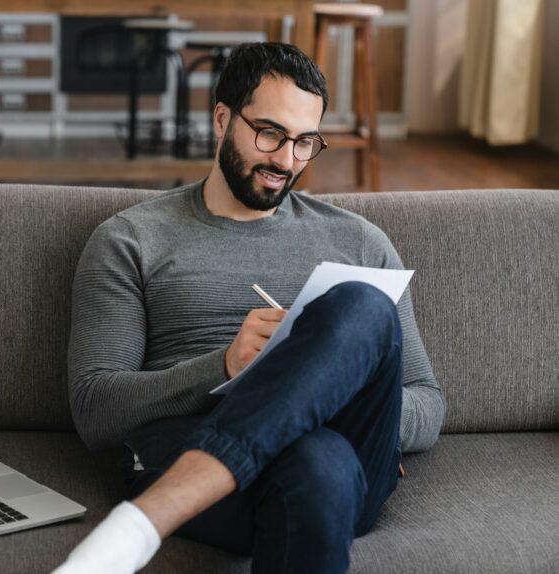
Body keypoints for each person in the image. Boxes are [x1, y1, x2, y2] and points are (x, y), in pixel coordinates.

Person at [53, 42, 446, 574]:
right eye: (270, 134)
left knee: (360, 304)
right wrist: (223, 367)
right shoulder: (130, 241)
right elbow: (96, 410)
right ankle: (183, 489)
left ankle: (145, 520)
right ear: (221, 118)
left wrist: (315, 388)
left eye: (305, 142)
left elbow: (426, 400)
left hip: (345, 446)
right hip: (202, 449)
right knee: (318, 463)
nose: (286, 161)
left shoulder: (361, 243)